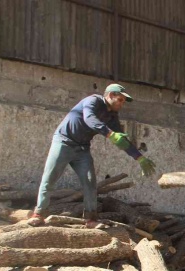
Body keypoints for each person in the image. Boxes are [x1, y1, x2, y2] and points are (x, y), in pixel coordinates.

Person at [28, 83, 156, 228]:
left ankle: (91, 219)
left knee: (90, 182)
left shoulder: (112, 116)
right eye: (120, 100)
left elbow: (122, 140)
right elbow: (90, 119)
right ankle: (38, 214)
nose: (122, 104)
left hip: (82, 149)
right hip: (63, 142)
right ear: (110, 95)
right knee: (49, 178)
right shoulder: (93, 101)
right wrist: (110, 134)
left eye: (124, 101)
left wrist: (139, 157)